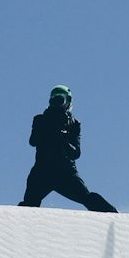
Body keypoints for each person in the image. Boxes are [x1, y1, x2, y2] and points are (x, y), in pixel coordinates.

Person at [19, 85, 117, 213]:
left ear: (68, 101)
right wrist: (48, 130)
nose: (57, 102)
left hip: (65, 173)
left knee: (87, 198)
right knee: (29, 204)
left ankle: (115, 217)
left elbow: (76, 153)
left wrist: (63, 139)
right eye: (54, 99)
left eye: (61, 99)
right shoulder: (40, 119)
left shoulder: (74, 124)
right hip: (42, 170)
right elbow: (33, 141)